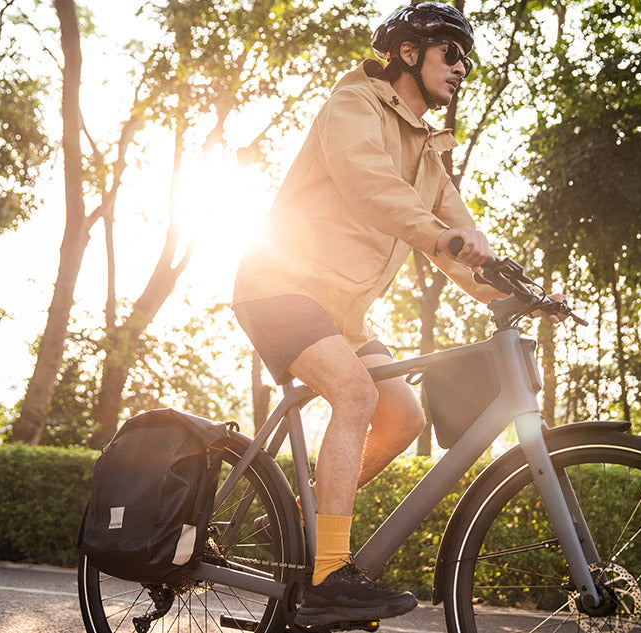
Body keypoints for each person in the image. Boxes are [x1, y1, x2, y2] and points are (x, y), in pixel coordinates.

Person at [232, 2, 560, 627]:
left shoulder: (426, 152)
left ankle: (305, 532)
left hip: (341, 310)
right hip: (279, 285)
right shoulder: (353, 104)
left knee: (403, 416)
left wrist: (520, 293)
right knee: (355, 394)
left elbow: (465, 240)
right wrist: (435, 238)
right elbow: (370, 186)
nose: (463, 68)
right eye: (452, 53)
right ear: (410, 53)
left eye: (467, 59)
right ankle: (329, 571)